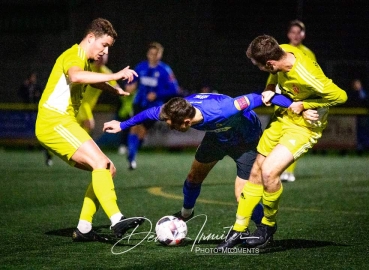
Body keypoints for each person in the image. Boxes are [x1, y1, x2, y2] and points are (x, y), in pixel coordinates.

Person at [216, 35, 347, 250]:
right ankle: (238, 230)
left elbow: (341, 96)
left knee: (269, 172)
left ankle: (267, 229)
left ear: (270, 63)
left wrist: (304, 105)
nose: (260, 70)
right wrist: (270, 86)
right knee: (256, 172)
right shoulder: (282, 50)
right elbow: (274, 77)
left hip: (305, 127)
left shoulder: (307, 75)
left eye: (261, 67)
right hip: (281, 119)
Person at [103, 92, 293, 225]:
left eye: (173, 125)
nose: (170, 126)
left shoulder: (224, 109)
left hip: (246, 141)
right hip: (217, 137)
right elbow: (149, 113)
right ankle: (186, 213)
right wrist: (122, 124)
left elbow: (257, 97)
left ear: (186, 122)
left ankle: (265, 228)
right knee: (194, 176)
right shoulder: (177, 108)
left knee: (241, 195)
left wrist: (293, 105)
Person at [35, 18, 145, 242]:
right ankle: (117, 219)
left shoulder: (84, 61)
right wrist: (114, 76)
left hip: (63, 123)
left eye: (108, 48)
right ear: (91, 38)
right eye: (103, 45)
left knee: (107, 168)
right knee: (100, 164)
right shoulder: (74, 55)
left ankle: (84, 228)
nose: (105, 52)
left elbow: (89, 80)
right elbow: (76, 76)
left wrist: (113, 90)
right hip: (53, 122)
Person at [125, 41, 180, 170]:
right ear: (148, 54)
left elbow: (174, 89)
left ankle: (133, 151)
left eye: (156, 54)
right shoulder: (141, 67)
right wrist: (129, 87)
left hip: (155, 107)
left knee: (142, 131)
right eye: (151, 53)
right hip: (139, 102)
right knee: (134, 127)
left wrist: (157, 94)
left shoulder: (165, 70)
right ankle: (131, 157)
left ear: (160, 55)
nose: (153, 56)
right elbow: (132, 84)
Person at [278, 19, 317, 182]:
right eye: (292, 32)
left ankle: (289, 171)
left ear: (303, 35)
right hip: (283, 96)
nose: (295, 35)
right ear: (288, 34)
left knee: (295, 134)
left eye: (298, 32)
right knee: (280, 134)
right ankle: (279, 169)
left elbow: (314, 75)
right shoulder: (281, 50)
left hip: (300, 98)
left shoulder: (308, 53)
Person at [76, 54, 119, 134]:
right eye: (100, 57)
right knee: (89, 124)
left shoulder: (106, 72)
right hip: (81, 102)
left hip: (89, 105)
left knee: (79, 126)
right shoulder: (88, 68)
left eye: (104, 57)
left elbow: (116, 86)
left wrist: (120, 91)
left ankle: (78, 143)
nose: (101, 59)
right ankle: (82, 143)